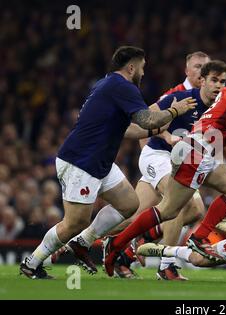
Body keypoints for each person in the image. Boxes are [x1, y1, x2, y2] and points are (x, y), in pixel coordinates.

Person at [19, 46, 195, 279]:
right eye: (142, 67)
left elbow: (130, 129)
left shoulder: (109, 84)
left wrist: (155, 129)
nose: (143, 72)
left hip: (98, 162)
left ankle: (84, 242)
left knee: (129, 203)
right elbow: (144, 119)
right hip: (81, 162)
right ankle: (32, 263)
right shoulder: (123, 86)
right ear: (131, 67)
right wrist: (174, 111)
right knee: (74, 222)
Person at [102, 59, 226, 277]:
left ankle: (198, 237)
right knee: (169, 210)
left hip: (201, 148)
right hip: (196, 151)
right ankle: (120, 245)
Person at [60, 60, 226, 280]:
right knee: (180, 203)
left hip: (182, 162)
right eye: (205, 72)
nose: (217, 84)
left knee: (141, 215)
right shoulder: (181, 96)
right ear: (196, 75)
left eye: (222, 81)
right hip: (158, 155)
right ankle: (166, 266)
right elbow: (146, 119)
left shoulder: (219, 106)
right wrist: (168, 137)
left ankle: (89, 242)